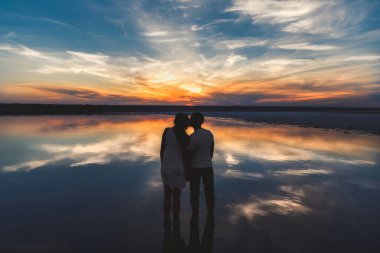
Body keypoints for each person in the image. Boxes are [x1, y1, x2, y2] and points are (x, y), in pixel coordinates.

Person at [160, 113, 190, 228]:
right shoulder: (184, 136)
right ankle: (176, 219)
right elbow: (186, 155)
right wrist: (187, 172)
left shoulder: (166, 131)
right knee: (176, 195)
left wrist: (162, 164)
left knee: (167, 194)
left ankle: (166, 217)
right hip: (177, 166)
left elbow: (162, 150)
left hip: (165, 165)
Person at [189, 112, 215, 214]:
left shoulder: (192, 137)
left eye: (191, 119)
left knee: (194, 192)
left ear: (194, 122)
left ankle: (195, 213)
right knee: (209, 191)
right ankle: (210, 213)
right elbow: (211, 151)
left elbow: (190, 155)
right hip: (208, 167)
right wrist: (207, 160)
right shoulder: (209, 133)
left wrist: (187, 169)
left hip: (195, 167)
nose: (190, 120)